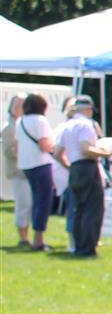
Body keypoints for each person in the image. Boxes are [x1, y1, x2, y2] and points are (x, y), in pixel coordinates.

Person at [54, 94, 111, 258]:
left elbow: (57, 153)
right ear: (88, 109)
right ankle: (88, 247)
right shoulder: (86, 125)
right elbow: (85, 149)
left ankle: (78, 245)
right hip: (87, 167)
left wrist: (69, 167)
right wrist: (105, 153)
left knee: (78, 209)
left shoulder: (67, 126)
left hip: (75, 168)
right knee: (92, 209)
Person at [13, 94, 56, 251]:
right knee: (43, 201)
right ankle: (38, 238)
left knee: (36, 200)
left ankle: (33, 236)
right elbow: (44, 145)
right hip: (41, 163)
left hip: (26, 164)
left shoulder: (20, 121)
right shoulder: (40, 121)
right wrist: (54, 147)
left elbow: (17, 146)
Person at [3, 95, 29, 247]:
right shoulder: (9, 127)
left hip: (27, 170)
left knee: (29, 204)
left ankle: (27, 234)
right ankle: (22, 237)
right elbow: (8, 151)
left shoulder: (23, 124)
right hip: (17, 171)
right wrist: (25, 155)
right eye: (17, 105)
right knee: (22, 204)